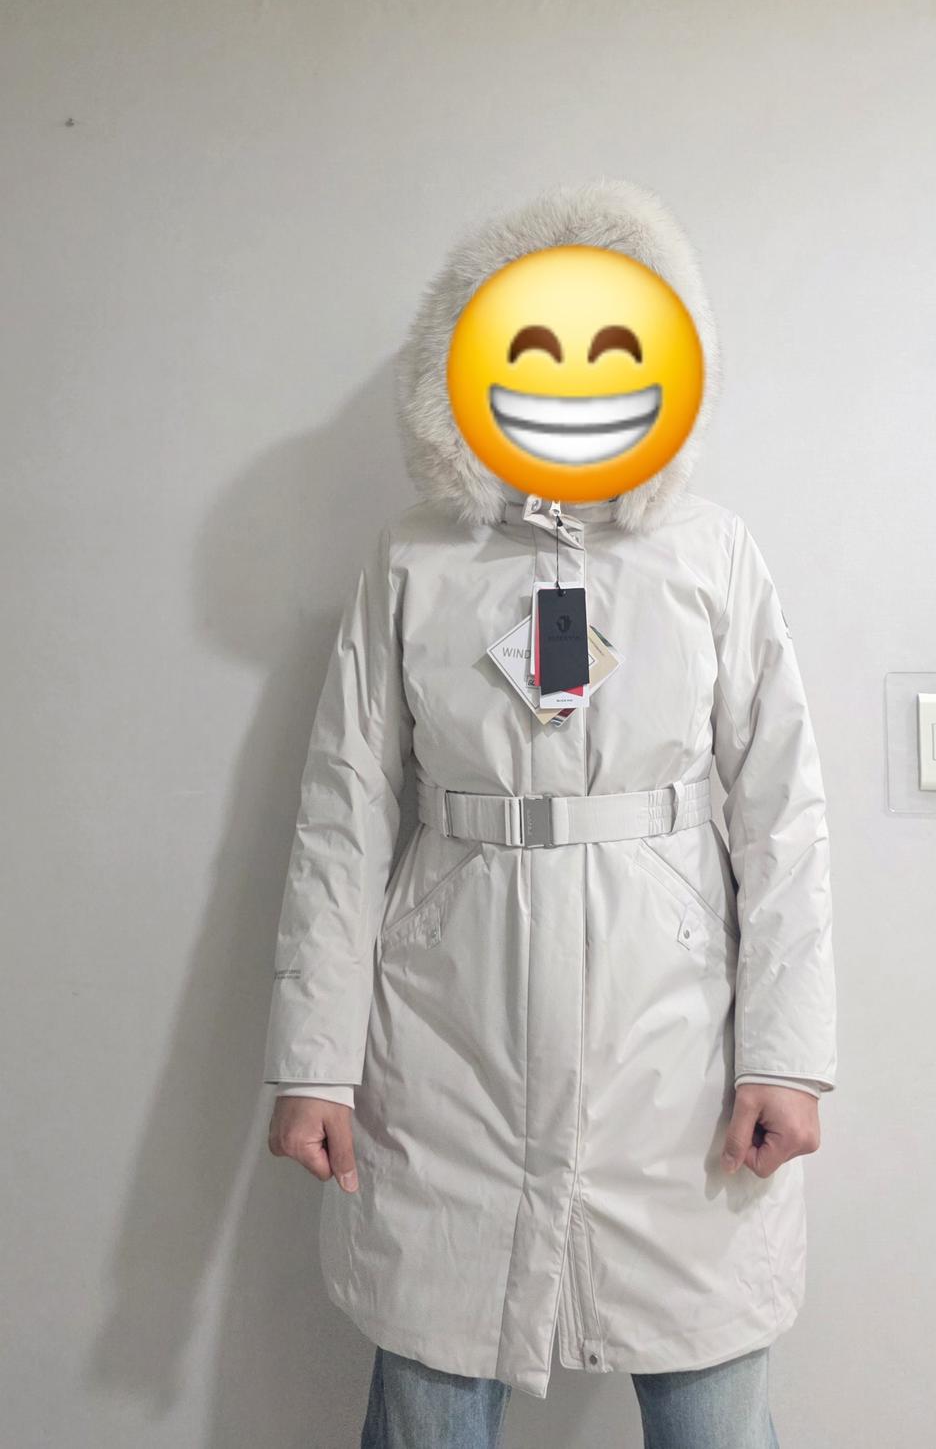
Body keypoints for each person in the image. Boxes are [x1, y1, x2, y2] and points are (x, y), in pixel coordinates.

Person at [263, 178, 837, 1448]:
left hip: (677, 1047)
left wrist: (784, 1057)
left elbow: (782, 817)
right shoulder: (413, 560)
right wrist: (314, 1061)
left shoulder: (713, 555)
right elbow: (344, 816)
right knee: (433, 1382)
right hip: (444, 1036)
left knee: (711, 1396)